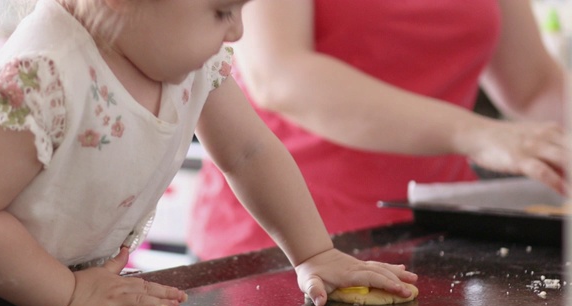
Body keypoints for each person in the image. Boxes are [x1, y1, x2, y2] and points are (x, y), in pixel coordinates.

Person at [0, 0, 417, 306]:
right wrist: (68, 295)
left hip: (66, 301)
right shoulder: (46, 76)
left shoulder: (191, 64)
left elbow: (249, 153)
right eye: (223, 10)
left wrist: (314, 254)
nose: (239, 30)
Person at [188, 0, 568, 260]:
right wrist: (474, 133)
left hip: (439, 234)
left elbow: (534, 86)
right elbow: (279, 76)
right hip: (292, 239)